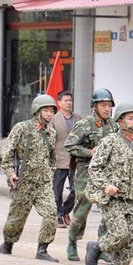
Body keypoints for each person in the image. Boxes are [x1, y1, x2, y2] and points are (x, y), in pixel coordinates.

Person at [84, 103, 133, 265]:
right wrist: (105, 186)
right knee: (120, 234)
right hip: (113, 198)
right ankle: (96, 247)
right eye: (130, 119)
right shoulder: (110, 141)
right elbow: (95, 167)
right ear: (120, 122)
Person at [0, 94, 59, 262]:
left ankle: (42, 249)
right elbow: (8, 152)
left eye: (51, 111)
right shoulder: (22, 128)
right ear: (37, 111)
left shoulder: (50, 133)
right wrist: (10, 172)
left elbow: (53, 157)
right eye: (45, 110)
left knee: (51, 213)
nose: (49, 114)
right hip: (23, 182)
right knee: (16, 219)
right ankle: (8, 242)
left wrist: (49, 173)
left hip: (43, 184)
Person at [63, 89, 117, 262]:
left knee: (107, 210)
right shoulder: (84, 124)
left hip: (105, 174)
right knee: (81, 211)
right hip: (85, 173)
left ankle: (102, 247)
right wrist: (89, 152)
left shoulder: (114, 126)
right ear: (95, 106)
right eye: (103, 105)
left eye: (109, 105)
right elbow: (69, 145)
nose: (107, 109)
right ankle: (72, 241)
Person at [52, 90, 82, 228]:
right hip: (59, 159)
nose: (69, 103)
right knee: (56, 191)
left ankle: (64, 211)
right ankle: (58, 215)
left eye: (70, 100)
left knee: (77, 190)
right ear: (59, 103)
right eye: (66, 100)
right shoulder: (53, 119)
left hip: (75, 160)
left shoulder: (78, 118)